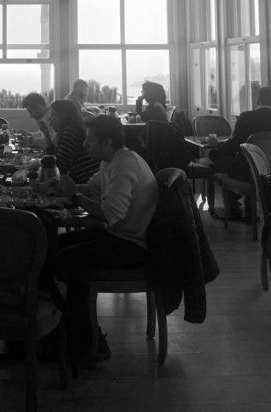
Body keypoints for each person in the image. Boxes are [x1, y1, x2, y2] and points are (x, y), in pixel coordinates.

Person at [55, 115, 158, 358]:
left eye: (90, 140)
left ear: (107, 142)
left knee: (65, 262)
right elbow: (92, 189)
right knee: (52, 245)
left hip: (132, 246)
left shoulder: (125, 165)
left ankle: (88, 343)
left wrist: (74, 197)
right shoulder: (110, 161)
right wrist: (65, 188)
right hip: (117, 235)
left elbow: (110, 213)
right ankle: (67, 333)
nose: (84, 145)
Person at [209, 86, 271, 182]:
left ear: (258, 100)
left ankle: (224, 182)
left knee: (214, 154)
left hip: (246, 170)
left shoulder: (245, 117)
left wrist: (218, 144)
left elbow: (235, 145)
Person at [50, 99, 98, 183]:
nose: (51, 119)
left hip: (83, 181)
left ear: (62, 116)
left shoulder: (70, 133)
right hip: (89, 179)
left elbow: (60, 168)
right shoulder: (76, 128)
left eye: (53, 115)